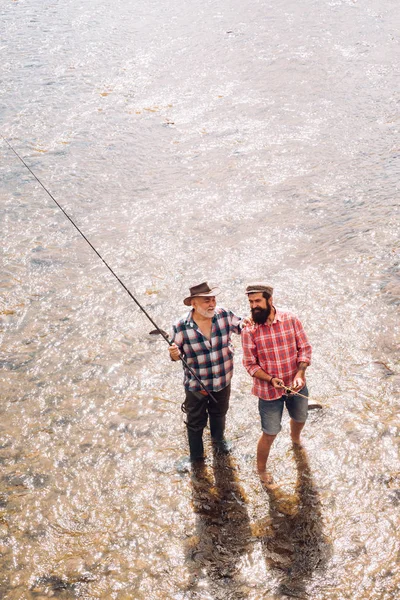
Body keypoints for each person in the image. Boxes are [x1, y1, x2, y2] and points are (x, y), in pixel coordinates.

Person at [241, 283, 312, 484]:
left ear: (270, 300)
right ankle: (261, 470)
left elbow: (305, 348)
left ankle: (295, 440)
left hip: (296, 384)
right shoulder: (249, 329)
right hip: (268, 392)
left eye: (257, 301)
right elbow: (249, 364)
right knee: (270, 432)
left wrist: (300, 374)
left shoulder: (290, 319)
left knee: (300, 417)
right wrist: (271, 380)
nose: (253, 306)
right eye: (250, 302)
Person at [169, 282, 243, 462]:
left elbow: (243, 328)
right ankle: (197, 457)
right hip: (196, 386)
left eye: (213, 299)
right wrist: (174, 354)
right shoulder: (180, 326)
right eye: (206, 301)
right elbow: (175, 354)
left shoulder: (224, 314)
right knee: (195, 424)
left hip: (223, 380)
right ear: (193, 303)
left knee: (220, 413)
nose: (211, 304)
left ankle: (219, 442)